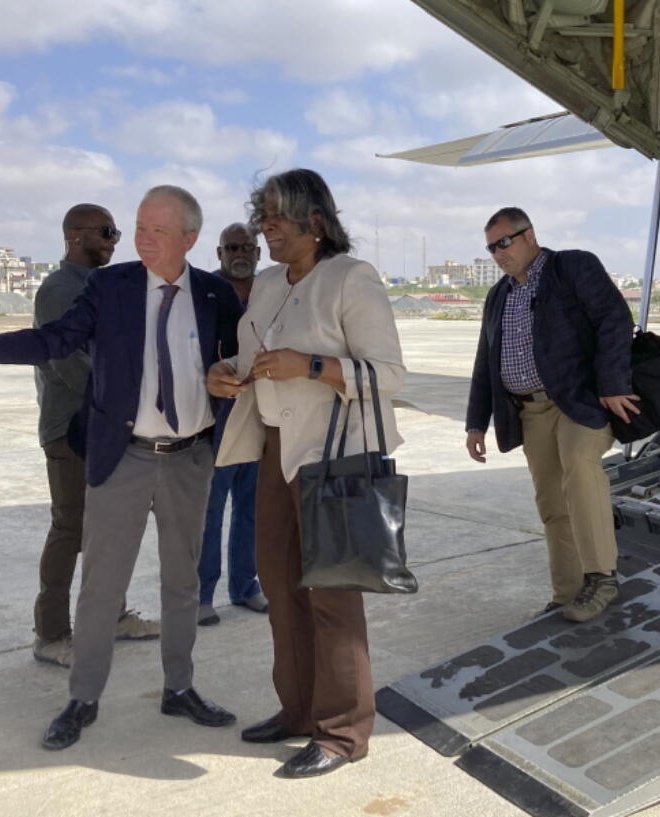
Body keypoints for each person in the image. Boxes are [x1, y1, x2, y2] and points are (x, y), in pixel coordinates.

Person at [0, 185, 241, 751]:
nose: (143, 238)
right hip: (123, 458)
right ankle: (83, 698)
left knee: (183, 582)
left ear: (189, 239)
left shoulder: (215, 294)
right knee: (102, 587)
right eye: (139, 227)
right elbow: (56, 339)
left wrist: (231, 377)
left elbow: (236, 357)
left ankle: (180, 688)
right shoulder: (110, 286)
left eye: (156, 230)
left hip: (190, 459)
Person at [208, 169, 405, 778]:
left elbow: (389, 376)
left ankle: (343, 732)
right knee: (282, 588)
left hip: (334, 454)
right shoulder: (268, 285)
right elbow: (251, 359)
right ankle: (297, 712)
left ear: (313, 223)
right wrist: (225, 374)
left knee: (332, 598)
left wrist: (313, 364)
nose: (264, 230)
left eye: (274, 219)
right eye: (261, 217)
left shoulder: (351, 278)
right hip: (274, 450)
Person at [464, 207, 636, 624]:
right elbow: (486, 360)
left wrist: (613, 383)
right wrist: (475, 421)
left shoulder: (572, 267)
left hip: (577, 402)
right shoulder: (499, 295)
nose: (498, 253)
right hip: (530, 411)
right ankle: (568, 592)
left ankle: (603, 578)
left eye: (504, 242)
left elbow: (614, 318)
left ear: (529, 235)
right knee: (552, 503)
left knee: (579, 466)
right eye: (490, 247)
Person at [31, 203, 160, 667]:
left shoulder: (102, 288)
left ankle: (115, 614)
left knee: (113, 528)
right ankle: (51, 633)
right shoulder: (58, 290)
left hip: (109, 427)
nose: (113, 240)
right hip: (72, 429)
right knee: (70, 528)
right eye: (106, 232)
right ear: (75, 235)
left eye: (115, 232)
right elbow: (64, 361)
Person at [197, 222, 268, 626]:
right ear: (220, 252)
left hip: (260, 412)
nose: (240, 254)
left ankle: (245, 586)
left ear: (259, 254)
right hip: (215, 417)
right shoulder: (204, 292)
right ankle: (201, 595)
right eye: (232, 247)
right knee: (210, 509)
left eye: (248, 248)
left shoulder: (270, 290)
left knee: (251, 507)